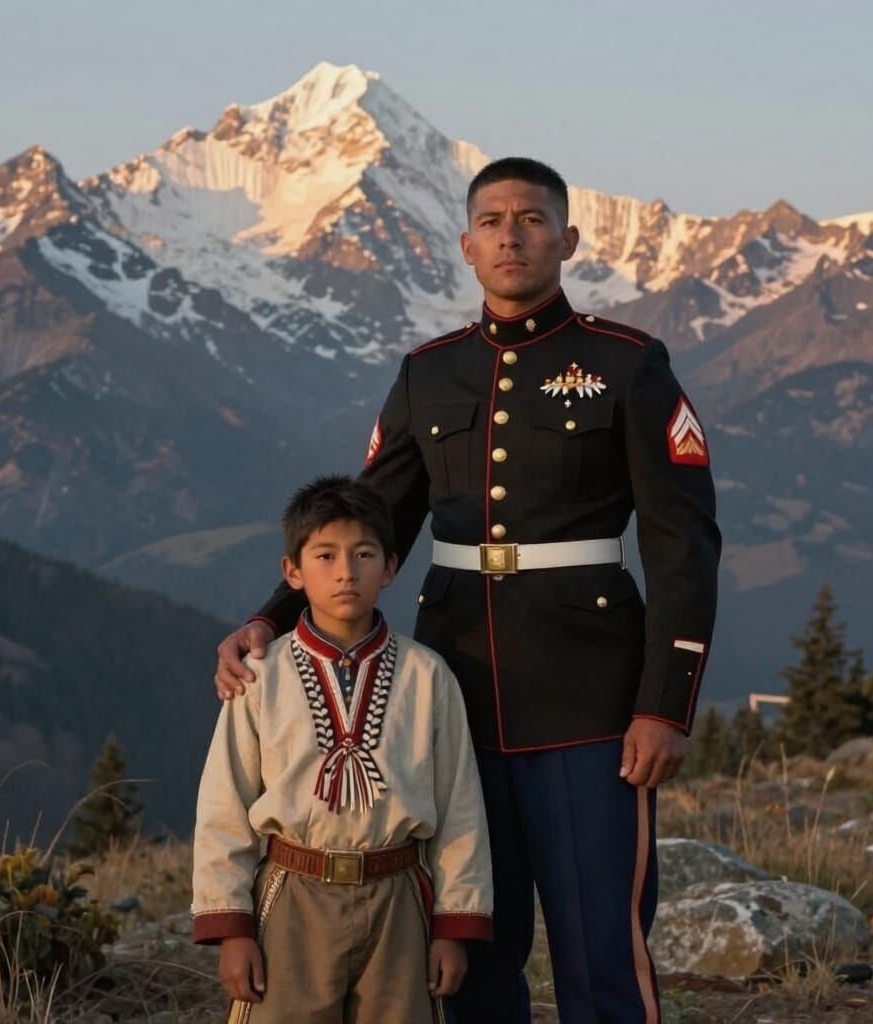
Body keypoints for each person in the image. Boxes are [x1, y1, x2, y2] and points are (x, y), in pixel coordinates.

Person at [214, 158, 721, 1023]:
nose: (510, 236)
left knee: (601, 954)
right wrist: (272, 618)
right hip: (451, 701)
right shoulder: (429, 373)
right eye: (492, 221)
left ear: (568, 239)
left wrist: (664, 705)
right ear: (466, 245)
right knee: (469, 954)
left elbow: (684, 545)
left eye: (531, 219)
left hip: (592, 702)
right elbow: (368, 520)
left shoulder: (627, 364)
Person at [193, 475, 493, 1024]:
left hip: (399, 899)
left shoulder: (427, 676)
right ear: (293, 572)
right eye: (325, 555)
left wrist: (453, 925)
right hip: (291, 896)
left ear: (390, 567)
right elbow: (224, 804)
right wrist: (232, 927)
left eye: (364, 554)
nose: (346, 572)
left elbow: (460, 808)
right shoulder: (261, 676)